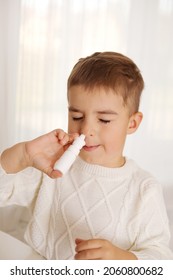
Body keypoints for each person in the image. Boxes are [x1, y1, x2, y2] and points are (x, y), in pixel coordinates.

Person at [0, 52, 173, 260]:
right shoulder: (52, 169)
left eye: (104, 120)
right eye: (77, 117)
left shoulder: (144, 189)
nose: (86, 129)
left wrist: (120, 259)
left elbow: (160, 257)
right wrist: (23, 155)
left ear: (132, 123)